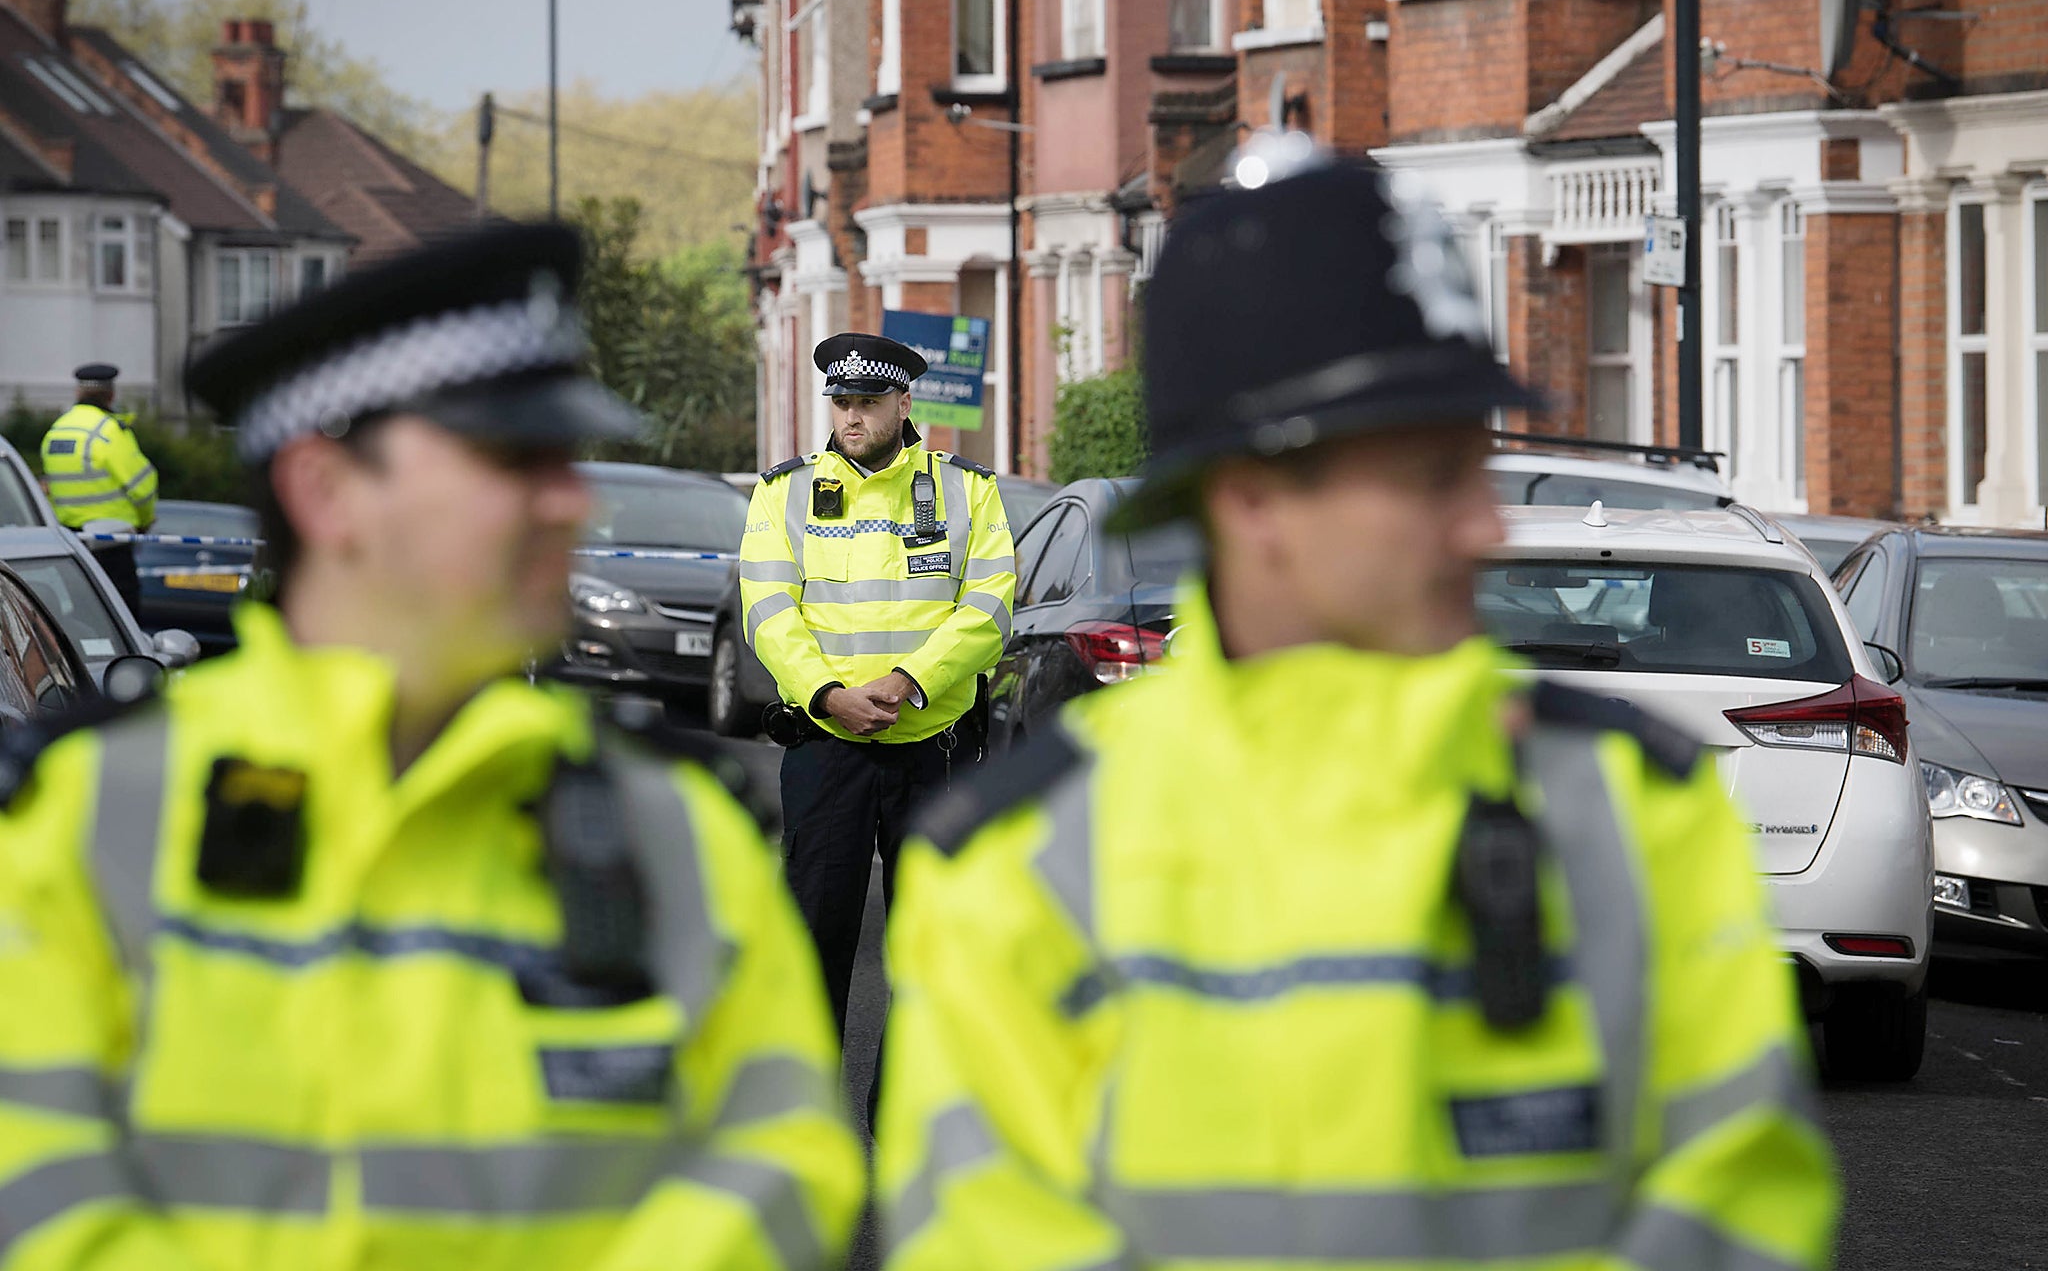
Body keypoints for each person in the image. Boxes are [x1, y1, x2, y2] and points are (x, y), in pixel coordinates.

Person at [875, 159, 1839, 1270]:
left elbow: (1739, 1207)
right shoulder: (1022, 859)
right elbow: (984, 1238)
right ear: (1250, 500)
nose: (1485, 530)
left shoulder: (1635, 810)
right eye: (1434, 479)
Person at [0, 222, 862, 1271]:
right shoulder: (93, 814)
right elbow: (34, 1186)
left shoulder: (668, 823)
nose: (570, 498)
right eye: (514, 458)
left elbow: (781, 1163)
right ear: (325, 492)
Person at [739, 333, 1015, 1067]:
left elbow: (988, 610)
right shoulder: (783, 491)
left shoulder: (969, 490)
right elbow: (767, 612)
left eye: (866, 402)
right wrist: (829, 695)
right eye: (841, 401)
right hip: (826, 747)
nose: (851, 415)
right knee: (811, 944)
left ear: (904, 401)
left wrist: (905, 683)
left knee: (930, 948)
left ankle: (901, 1127)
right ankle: (808, 1123)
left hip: (933, 750)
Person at [40, 363, 158, 614]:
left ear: (77, 393)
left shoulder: (57, 431)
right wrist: (145, 520)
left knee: (81, 614)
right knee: (121, 613)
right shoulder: (108, 431)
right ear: (111, 394)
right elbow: (143, 485)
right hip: (111, 542)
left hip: (70, 541)